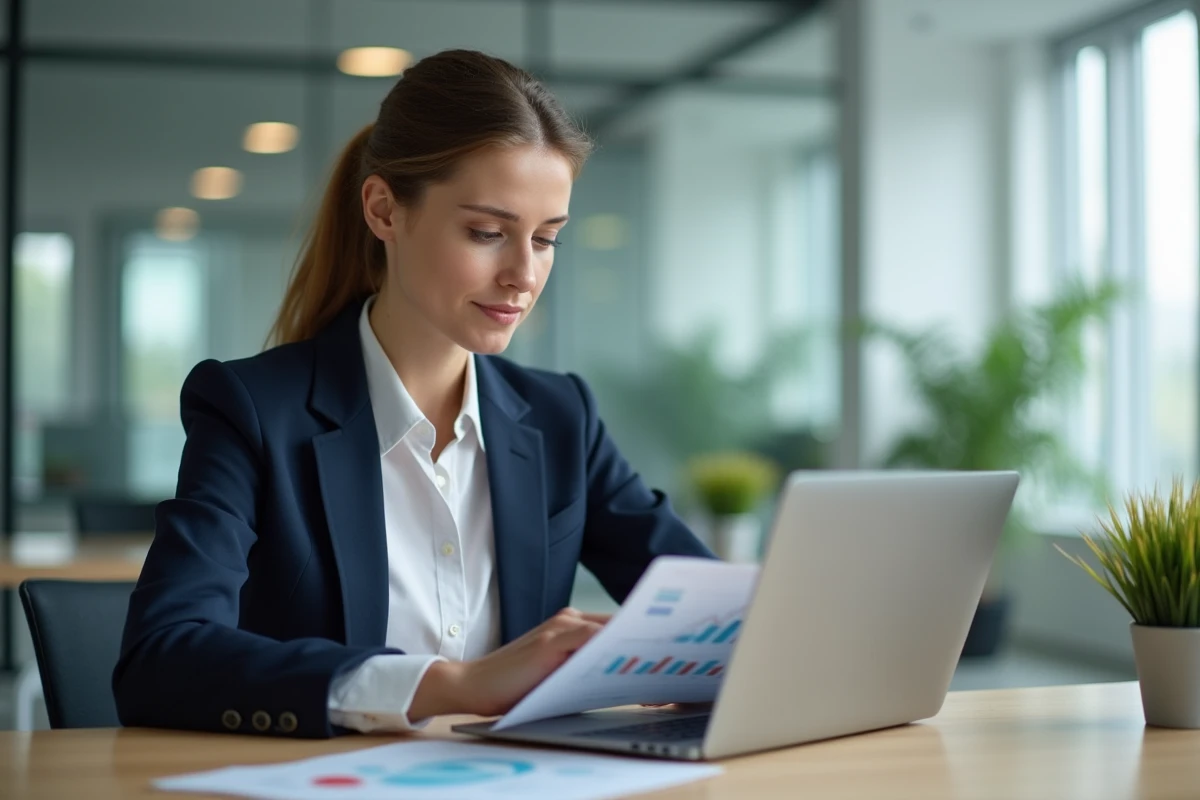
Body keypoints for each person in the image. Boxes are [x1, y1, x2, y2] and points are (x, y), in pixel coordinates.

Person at [113, 49, 712, 739]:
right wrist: (449, 685)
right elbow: (160, 659)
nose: (524, 274)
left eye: (546, 239)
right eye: (487, 233)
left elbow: (704, 610)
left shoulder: (560, 418)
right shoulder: (252, 410)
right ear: (384, 211)